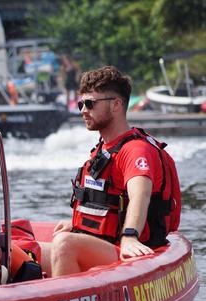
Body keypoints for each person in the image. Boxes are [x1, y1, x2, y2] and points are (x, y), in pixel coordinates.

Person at [41, 66, 181, 277]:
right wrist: (76, 224)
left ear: (116, 105)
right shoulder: (104, 148)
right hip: (103, 244)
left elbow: (139, 196)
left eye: (90, 104)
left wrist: (130, 236)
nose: (83, 110)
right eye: (81, 104)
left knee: (64, 244)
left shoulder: (135, 151)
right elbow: (107, 203)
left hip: (125, 252)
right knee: (14, 247)